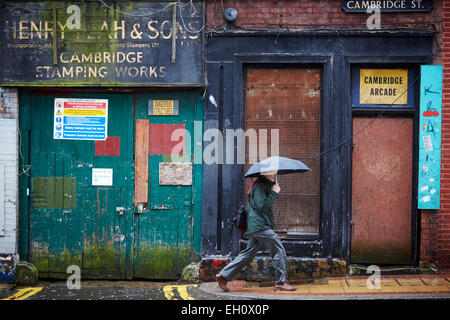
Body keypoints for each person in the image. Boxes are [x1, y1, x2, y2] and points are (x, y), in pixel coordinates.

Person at [216, 170, 296, 292]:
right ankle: (281, 282)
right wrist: (274, 193)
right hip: (260, 226)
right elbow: (261, 206)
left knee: (248, 254)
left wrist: (273, 189)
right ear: (264, 173)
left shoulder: (264, 185)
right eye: (272, 172)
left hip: (257, 226)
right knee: (278, 250)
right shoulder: (258, 186)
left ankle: (223, 276)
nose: (275, 173)